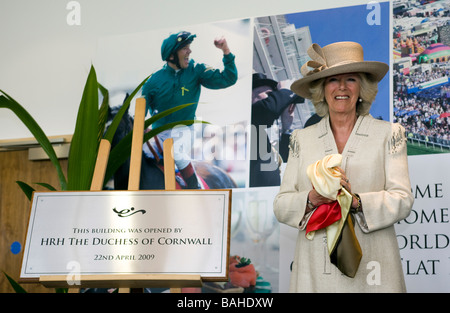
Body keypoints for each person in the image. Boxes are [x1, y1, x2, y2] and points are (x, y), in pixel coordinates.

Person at [273, 41, 414, 292]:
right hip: (314, 269)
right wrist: (312, 198)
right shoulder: (301, 139)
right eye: (332, 80)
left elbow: (401, 199)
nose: (341, 87)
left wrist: (356, 201)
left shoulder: (389, 134)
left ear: (362, 87)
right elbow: (282, 204)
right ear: (322, 89)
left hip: (373, 269)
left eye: (350, 79)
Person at [142, 31, 238, 188]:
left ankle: (196, 189)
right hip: (158, 134)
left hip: (184, 130)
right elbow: (140, 113)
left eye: (189, 47)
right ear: (172, 55)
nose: (189, 51)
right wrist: (142, 127)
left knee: (177, 153)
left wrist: (226, 51)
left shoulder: (196, 70)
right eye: (185, 48)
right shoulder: (153, 81)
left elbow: (229, 78)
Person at [250, 72, 303, 187]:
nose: (273, 97)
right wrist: (286, 91)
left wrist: (286, 128)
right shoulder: (249, 120)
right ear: (250, 96)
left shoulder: (262, 133)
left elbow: (283, 162)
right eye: (269, 94)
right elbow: (267, 110)